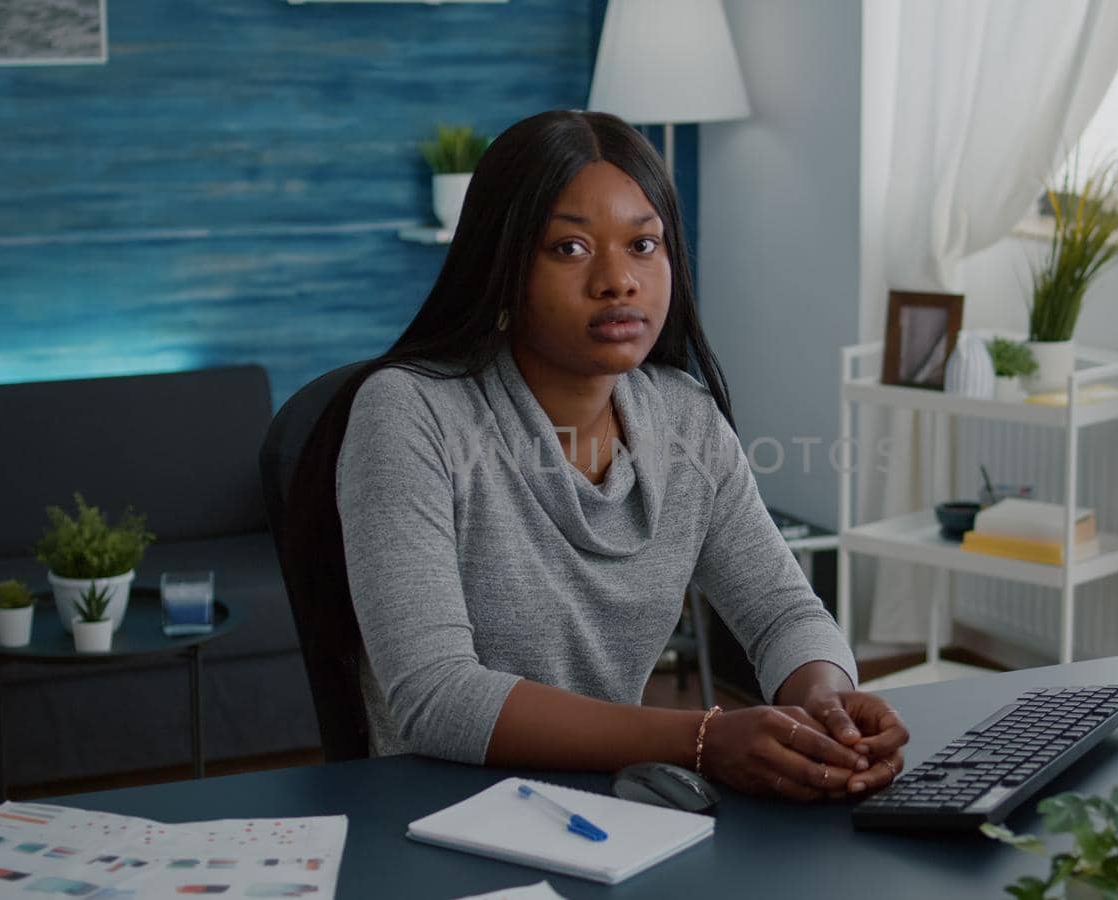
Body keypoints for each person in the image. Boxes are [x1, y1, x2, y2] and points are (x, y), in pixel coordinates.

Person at [289, 109, 907, 801]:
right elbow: (438, 696)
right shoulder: (409, 413)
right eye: (571, 249)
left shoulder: (684, 417)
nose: (619, 280)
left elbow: (784, 615)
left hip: (613, 811)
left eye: (643, 245)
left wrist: (827, 702)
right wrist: (699, 739)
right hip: (438, 818)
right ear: (503, 264)